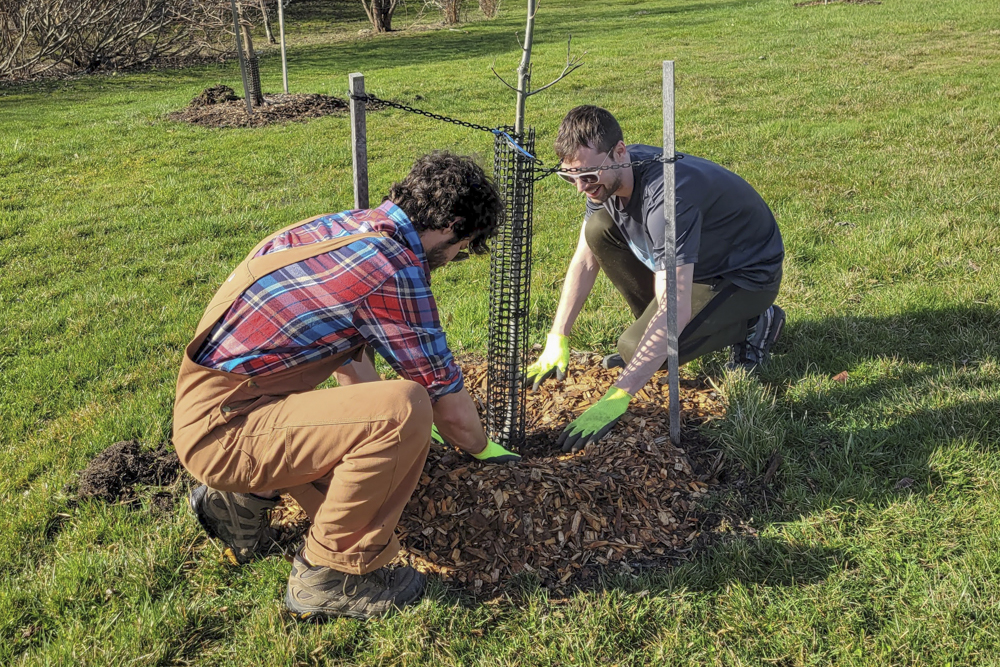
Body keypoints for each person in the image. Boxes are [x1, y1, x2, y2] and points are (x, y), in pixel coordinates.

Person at [172, 152, 519, 621]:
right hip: (226, 432)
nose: (456, 257)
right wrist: (484, 450)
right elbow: (450, 410)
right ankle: (331, 574)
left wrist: (396, 441)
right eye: (465, 245)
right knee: (406, 407)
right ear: (454, 224)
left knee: (390, 425)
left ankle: (236, 503)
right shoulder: (393, 266)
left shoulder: (344, 229)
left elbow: (351, 368)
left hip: (218, 407)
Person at [525, 106, 786, 453]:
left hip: (743, 274)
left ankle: (756, 321)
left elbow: (673, 306)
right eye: (570, 177)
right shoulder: (609, 178)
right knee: (598, 229)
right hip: (691, 264)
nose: (580, 187)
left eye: (587, 175)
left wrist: (620, 394)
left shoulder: (667, 199)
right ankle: (660, 339)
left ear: (620, 151)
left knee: (638, 350)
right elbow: (586, 258)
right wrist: (558, 335)